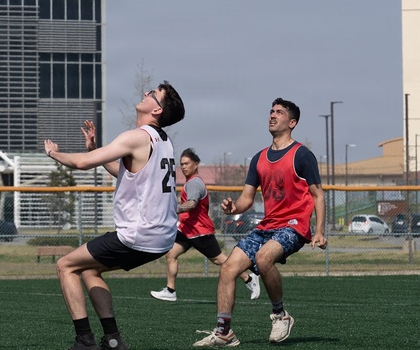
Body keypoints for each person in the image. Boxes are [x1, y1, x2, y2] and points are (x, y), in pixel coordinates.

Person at [45, 82, 186, 350]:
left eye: (153, 94)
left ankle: (85, 340)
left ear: (156, 109)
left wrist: (53, 153)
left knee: (65, 265)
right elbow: (125, 173)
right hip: (162, 238)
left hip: (139, 235)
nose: (146, 93)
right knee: (89, 270)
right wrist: (93, 147)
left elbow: (82, 165)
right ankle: (112, 339)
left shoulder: (138, 136)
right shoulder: (163, 141)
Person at [193, 98, 326, 347]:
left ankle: (280, 315)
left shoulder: (302, 155)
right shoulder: (259, 158)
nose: (273, 115)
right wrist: (234, 208)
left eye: (279, 112)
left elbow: (318, 194)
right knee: (228, 268)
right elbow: (247, 199)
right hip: (267, 226)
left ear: (292, 122)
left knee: (264, 258)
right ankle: (224, 332)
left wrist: (318, 231)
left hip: (294, 225)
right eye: (271, 111)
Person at [150, 148, 260, 302]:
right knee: (171, 254)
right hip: (188, 229)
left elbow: (191, 204)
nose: (183, 167)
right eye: (181, 164)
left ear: (196, 164)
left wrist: (172, 209)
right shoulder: (190, 182)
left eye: (187, 163)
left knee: (219, 260)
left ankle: (249, 279)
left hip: (200, 231)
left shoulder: (194, 183)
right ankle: (170, 290)